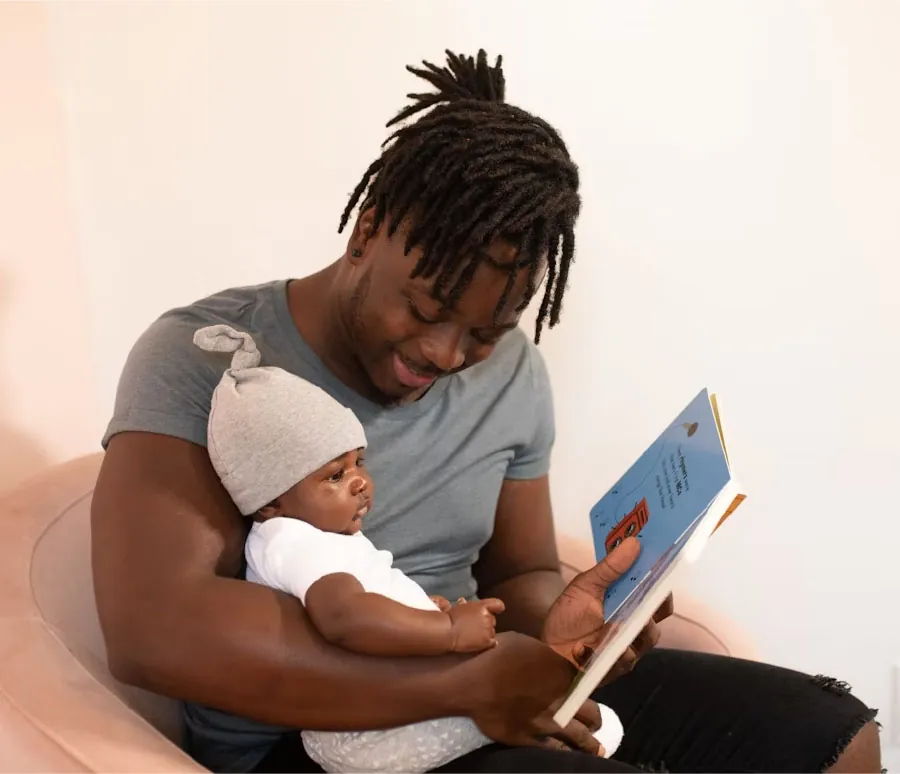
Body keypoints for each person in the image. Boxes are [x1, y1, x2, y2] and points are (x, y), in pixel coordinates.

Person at [92, 49, 881, 773]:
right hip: (318, 740)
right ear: (368, 232)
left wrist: (569, 622)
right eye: (427, 307)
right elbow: (155, 628)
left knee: (827, 733)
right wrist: (465, 680)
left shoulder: (510, 374)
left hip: (484, 682)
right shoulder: (209, 359)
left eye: (485, 331)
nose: (446, 354)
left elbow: (522, 573)